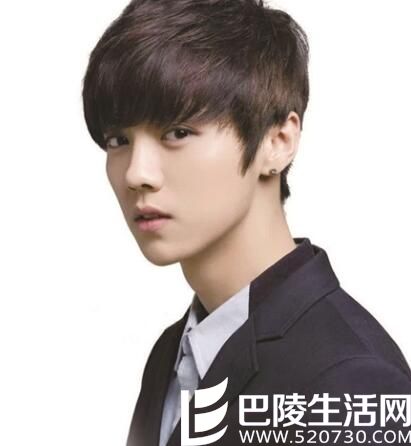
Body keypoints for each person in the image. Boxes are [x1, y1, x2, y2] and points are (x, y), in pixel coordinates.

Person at [81, 0, 411, 444]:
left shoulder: (353, 382)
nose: (137, 173)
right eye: (118, 140)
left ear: (278, 141)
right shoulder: (174, 352)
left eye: (177, 132)